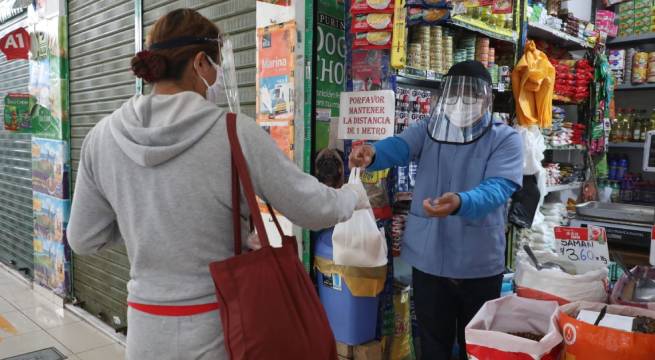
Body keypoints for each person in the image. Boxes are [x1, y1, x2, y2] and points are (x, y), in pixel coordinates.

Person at [66, 9, 369, 360]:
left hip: (145, 333)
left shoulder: (101, 138)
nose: (218, 74)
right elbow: (313, 208)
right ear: (199, 63)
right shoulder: (233, 132)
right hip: (220, 329)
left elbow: (83, 238)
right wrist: (352, 196)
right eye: (217, 63)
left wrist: (143, 220)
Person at [349, 61, 523, 360]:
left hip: (478, 262)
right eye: (454, 95)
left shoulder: (505, 138)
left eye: (470, 95)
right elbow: (400, 146)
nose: (461, 103)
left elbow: (499, 187)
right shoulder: (430, 128)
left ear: (486, 99)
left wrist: (460, 201)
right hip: (430, 258)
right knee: (432, 343)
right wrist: (374, 153)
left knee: (477, 345)